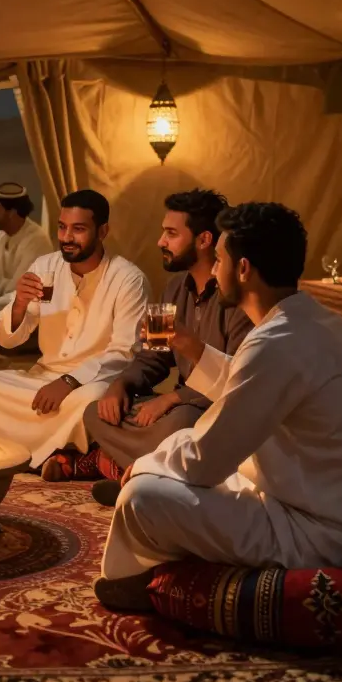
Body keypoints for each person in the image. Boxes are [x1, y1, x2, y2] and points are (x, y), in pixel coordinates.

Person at [94, 202, 342, 613]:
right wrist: (190, 349)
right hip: (321, 501)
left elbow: (204, 463)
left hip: (323, 532)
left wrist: (145, 466)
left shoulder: (275, 342)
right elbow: (245, 386)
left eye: (219, 260)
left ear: (242, 269)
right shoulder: (313, 321)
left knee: (142, 496)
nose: (213, 270)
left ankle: (144, 584)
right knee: (179, 442)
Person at [0, 189, 149, 473]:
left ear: (102, 231)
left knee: (92, 401)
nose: (67, 237)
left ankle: (48, 456)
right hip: (42, 378)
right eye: (62, 227)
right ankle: (45, 454)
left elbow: (124, 352)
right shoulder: (45, 267)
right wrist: (19, 305)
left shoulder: (128, 279)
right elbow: (8, 340)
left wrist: (70, 381)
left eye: (78, 229)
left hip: (91, 382)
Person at [82, 189, 252, 495]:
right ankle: (148, 471)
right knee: (95, 411)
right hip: (176, 412)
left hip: (207, 411)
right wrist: (122, 384)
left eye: (171, 233)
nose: (161, 242)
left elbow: (239, 380)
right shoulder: (174, 289)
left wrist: (173, 398)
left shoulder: (235, 297)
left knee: (184, 424)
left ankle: (123, 468)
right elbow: (154, 357)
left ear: (204, 240)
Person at [0, 182, 53, 321]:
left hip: (27, 313)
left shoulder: (37, 240)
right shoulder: (0, 237)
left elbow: (21, 294)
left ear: (12, 212)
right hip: (0, 307)